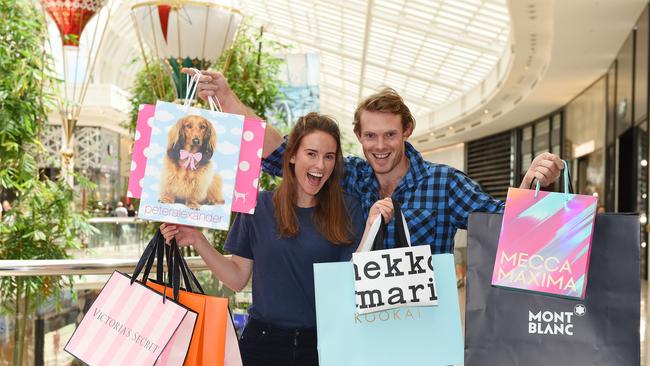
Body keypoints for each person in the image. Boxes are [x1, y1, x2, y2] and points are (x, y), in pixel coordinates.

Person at [187, 69, 563, 253]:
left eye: (389, 135)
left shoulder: (445, 183)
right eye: (370, 136)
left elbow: (502, 224)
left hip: (421, 333)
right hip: (358, 331)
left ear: (407, 130)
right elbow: (279, 154)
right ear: (359, 136)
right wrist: (228, 97)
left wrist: (535, 185)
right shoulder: (350, 176)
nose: (379, 145)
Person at [160, 113, 393, 366]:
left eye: (329, 157)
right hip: (262, 345)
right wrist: (197, 239)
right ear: (292, 155)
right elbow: (237, 278)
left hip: (323, 346)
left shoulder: (348, 209)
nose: (320, 165)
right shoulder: (258, 206)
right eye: (311, 154)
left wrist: (371, 228)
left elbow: (350, 282)